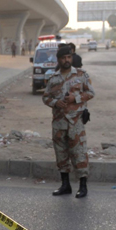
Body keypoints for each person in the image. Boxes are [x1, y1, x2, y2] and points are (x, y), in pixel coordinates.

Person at [42, 45, 94, 197]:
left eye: (69, 57)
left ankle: (83, 186)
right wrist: (55, 103)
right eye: (63, 58)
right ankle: (65, 185)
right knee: (61, 154)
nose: (66, 60)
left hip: (75, 121)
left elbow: (91, 92)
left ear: (72, 58)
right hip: (59, 122)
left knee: (79, 153)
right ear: (59, 60)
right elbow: (45, 97)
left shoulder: (81, 75)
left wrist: (75, 98)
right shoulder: (53, 78)